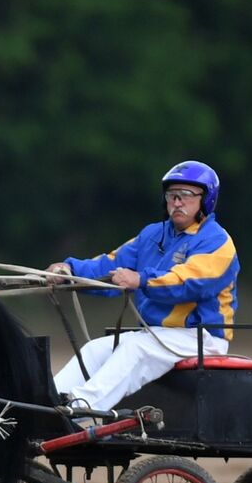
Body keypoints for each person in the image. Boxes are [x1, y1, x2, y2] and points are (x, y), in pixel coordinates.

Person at [47, 160, 240, 414]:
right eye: (172, 195)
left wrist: (141, 280)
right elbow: (111, 264)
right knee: (95, 350)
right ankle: (47, 405)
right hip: (158, 334)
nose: (177, 202)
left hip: (201, 337)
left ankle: (81, 408)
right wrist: (69, 271)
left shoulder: (217, 241)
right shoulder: (152, 234)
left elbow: (190, 283)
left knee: (135, 348)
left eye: (186, 195)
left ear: (206, 199)